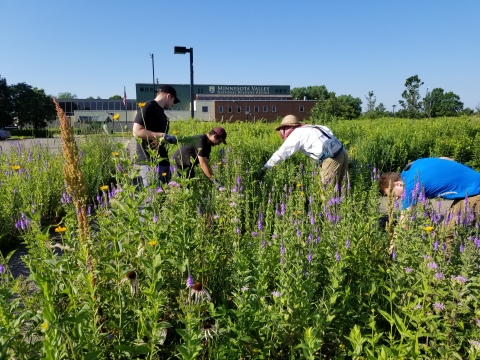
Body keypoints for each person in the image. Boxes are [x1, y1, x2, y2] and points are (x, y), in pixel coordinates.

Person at [257, 115, 349, 192]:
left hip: (331, 158)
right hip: (342, 152)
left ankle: (329, 213)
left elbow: (282, 153)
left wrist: (265, 168)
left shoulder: (297, 133)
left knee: (327, 192)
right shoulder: (315, 127)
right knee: (341, 189)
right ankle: (341, 212)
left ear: (287, 127)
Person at [378, 157, 480, 225]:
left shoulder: (410, 185)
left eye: (392, 194)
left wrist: (391, 249)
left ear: (396, 184)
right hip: (472, 184)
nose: (396, 198)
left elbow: (405, 220)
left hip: (475, 191)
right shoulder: (410, 168)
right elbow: (445, 158)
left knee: (447, 232)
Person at [133, 85, 180, 187]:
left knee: (163, 196)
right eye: (173, 101)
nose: (173, 105)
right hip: (150, 161)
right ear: (168, 96)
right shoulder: (148, 107)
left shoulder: (161, 112)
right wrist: (162, 135)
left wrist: (168, 139)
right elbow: (136, 131)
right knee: (153, 196)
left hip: (162, 159)